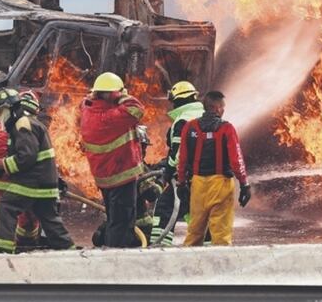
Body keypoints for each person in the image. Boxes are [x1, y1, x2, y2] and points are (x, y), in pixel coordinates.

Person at [0, 91, 74, 254]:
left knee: (5, 206)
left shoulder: (22, 124)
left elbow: (27, 156)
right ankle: (70, 251)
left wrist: (4, 164)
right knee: (50, 220)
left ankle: (2, 249)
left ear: (8, 109)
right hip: (44, 182)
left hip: (32, 182)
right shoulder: (27, 123)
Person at [79, 72, 146, 248]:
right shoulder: (112, 117)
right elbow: (137, 108)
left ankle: (115, 246)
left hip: (104, 177)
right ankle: (115, 254)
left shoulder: (88, 110)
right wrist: (123, 95)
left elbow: (86, 101)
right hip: (121, 176)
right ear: (111, 94)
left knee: (114, 218)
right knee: (121, 222)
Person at [176, 90, 251, 246]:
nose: (223, 110)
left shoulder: (190, 127)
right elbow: (236, 159)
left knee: (194, 232)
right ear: (217, 108)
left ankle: (188, 260)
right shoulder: (227, 128)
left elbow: (182, 158)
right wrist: (244, 184)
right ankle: (220, 261)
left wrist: (181, 183)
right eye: (223, 107)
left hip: (197, 184)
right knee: (221, 234)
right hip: (221, 185)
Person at [148, 80, 204, 246]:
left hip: (186, 177)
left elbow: (179, 153)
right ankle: (207, 247)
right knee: (196, 212)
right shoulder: (206, 115)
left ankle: (159, 247)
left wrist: (168, 169)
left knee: (164, 207)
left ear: (178, 101)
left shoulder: (183, 120)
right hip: (206, 177)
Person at [0, 88, 41, 248]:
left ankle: (18, 243)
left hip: (2, 178)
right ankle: (18, 245)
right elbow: (16, 156)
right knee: (19, 216)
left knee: (12, 215)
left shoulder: (7, 124)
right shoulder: (10, 127)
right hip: (5, 179)